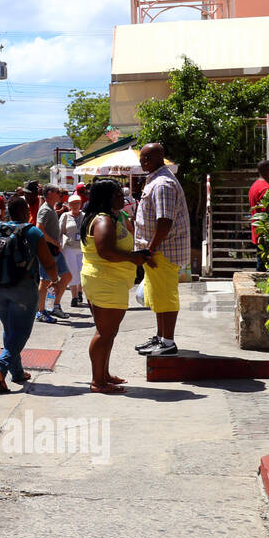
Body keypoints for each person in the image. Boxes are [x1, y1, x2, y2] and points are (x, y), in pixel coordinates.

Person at [0, 195, 58, 393]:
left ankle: (17, 373)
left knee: (10, 330)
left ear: (9, 213)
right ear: (27, 212)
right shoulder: (32, 232)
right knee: (21, 332)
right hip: (24, 288)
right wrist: (55, 279)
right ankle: (1, 367)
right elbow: (48, 262)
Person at [81, 179, 155, 393]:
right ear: (106, 198)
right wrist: (133, 257)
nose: (122, 197)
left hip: (110, 280)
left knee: (109, 332)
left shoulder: (113, 217)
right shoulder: (103, 221)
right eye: (117, 194)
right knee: (104, 333)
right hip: (105, 281)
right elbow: (106, 251)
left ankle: (103, 373)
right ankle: (97, 381)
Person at [133, 143, 192, 358]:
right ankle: (160, 337)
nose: (143, 161)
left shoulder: (163, 184)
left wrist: (150, 249)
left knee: (165, 297)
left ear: (160, 158)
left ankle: (168, 342)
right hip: (157, 250)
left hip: (163, 251)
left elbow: (165, 221)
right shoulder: (155, 180)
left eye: (147, 157)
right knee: (157, 296)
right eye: (142, 157)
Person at [35, 186, 73, 323]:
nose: (60, 194)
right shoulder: (45, 209)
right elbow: (39, 229)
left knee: (67, 276)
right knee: (44, 281)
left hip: (54, 251)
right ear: (50, 194)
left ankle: (54, 306)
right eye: (58, 192)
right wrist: (53, 241)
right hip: (48, 251)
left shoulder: (50, 208)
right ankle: (41, 311)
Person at [249, 160, 269, 272]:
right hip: (266, 234)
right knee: (265, 269)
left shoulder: (254, 186)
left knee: (261, 263)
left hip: (258, 232)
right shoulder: (268, 190)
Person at [60, 193, 86, 307]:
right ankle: (74, 297)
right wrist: (59, 246)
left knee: (82, 272)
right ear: (69, 205)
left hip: (82, 248)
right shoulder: (65, 216)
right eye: (73, 204)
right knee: (72, 272)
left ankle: (80, 291)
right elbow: (60, 231)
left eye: (77, 203)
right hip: (69, 248)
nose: (75, 205)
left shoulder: (85, 216)